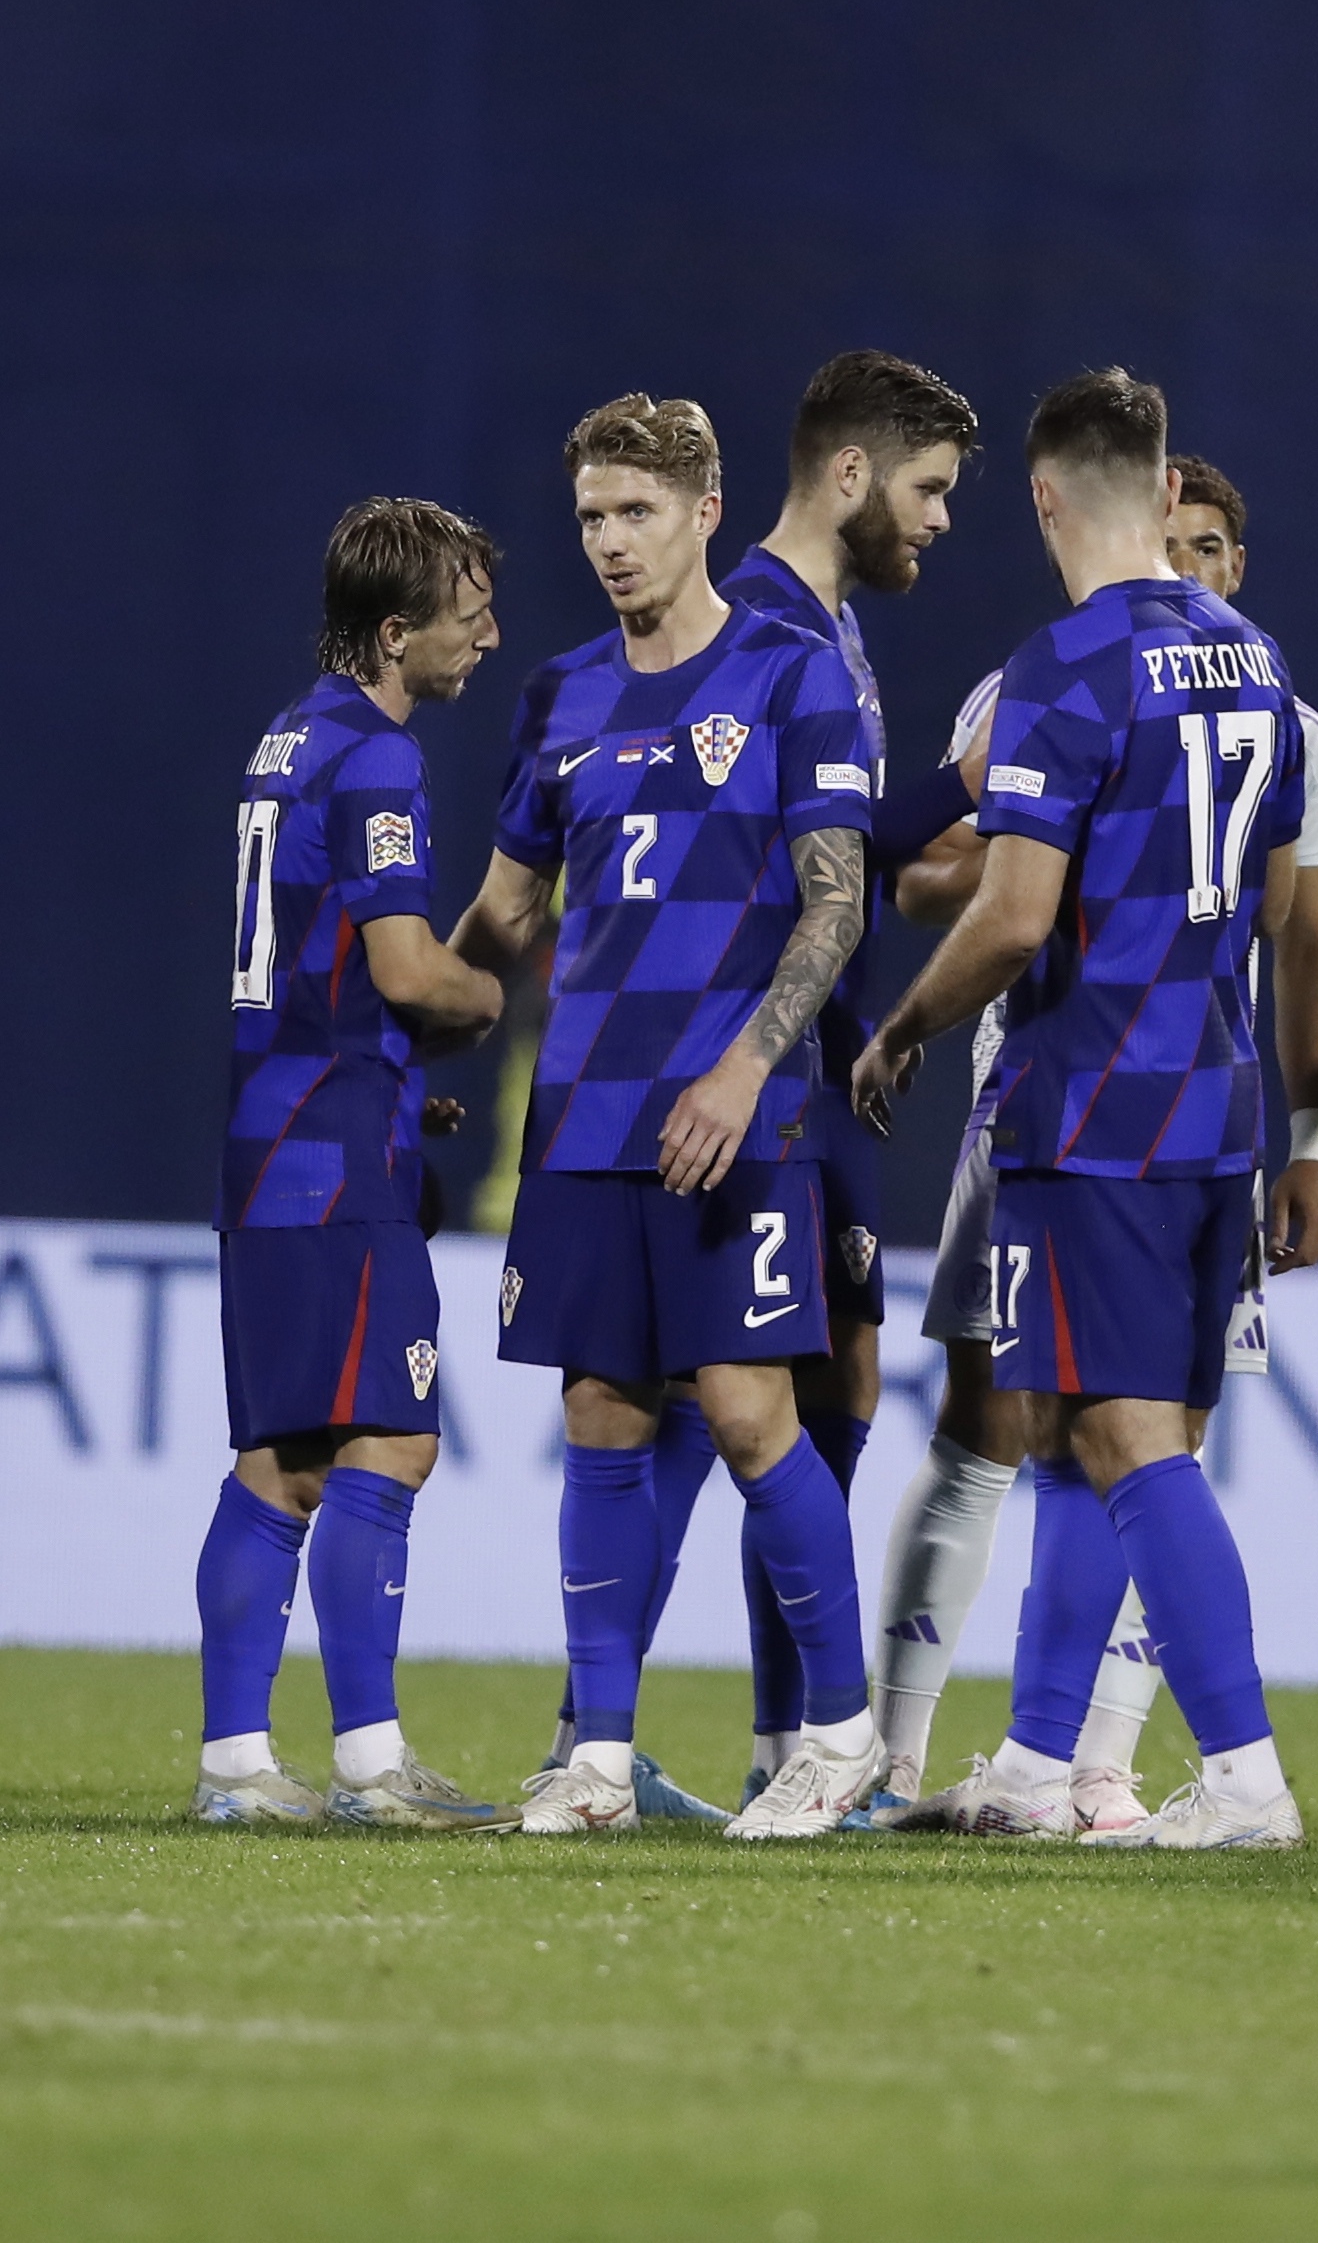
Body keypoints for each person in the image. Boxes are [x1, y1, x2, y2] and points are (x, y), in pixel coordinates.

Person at [849, 371, 1313, 1850]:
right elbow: (1278, 898)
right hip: (1216, 1099)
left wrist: (901, 1027)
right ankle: (1037, 1762)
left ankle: (1244, 1774)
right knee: (1066, 1432)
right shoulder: (1255, 658)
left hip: (1097, 1101)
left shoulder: (1064, 665)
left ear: (1045, 497)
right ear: (1168, 491)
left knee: (1126, 1439)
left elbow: (1008, 915)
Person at [454, 395, 886, 1841]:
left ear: (706, 513)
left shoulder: (788, 674)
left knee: (755, 1414)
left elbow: (836, 903)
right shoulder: (559, 694)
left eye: (636, 511)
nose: (610, 541)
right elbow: (507, 908)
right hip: (586, 1111)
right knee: (599, 1412)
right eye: (591, 516)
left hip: (734, 1112)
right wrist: (408, 1010)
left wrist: (748, 1066)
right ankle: (597, 1757)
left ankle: (839, 1736)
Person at [598, 349, 976, 1813]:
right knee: (730, 1401)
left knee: (810, 1396)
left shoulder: (828, 628)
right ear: (849, 472)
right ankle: (624, 1729)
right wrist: (971, 779)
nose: (937, 520)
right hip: (760, 1071)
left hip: (826, 1059)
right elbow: (798, 858)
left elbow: (851, 853)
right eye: (927, 488)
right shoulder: (751, 622)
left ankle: (770, 1750)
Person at [190, 498, 517, 1828]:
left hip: (276, 1136)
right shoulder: (380, 754)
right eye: (466, 614)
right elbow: (406, 966)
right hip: (333, 1158)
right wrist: (487, 996)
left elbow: (319, 968)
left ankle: (235, 1764)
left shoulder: (286, 737)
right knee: (391, 1436)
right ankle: (374, 1765)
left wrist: (395, 1076)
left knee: (282, 1458)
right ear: (394, 633)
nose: (486, 635)